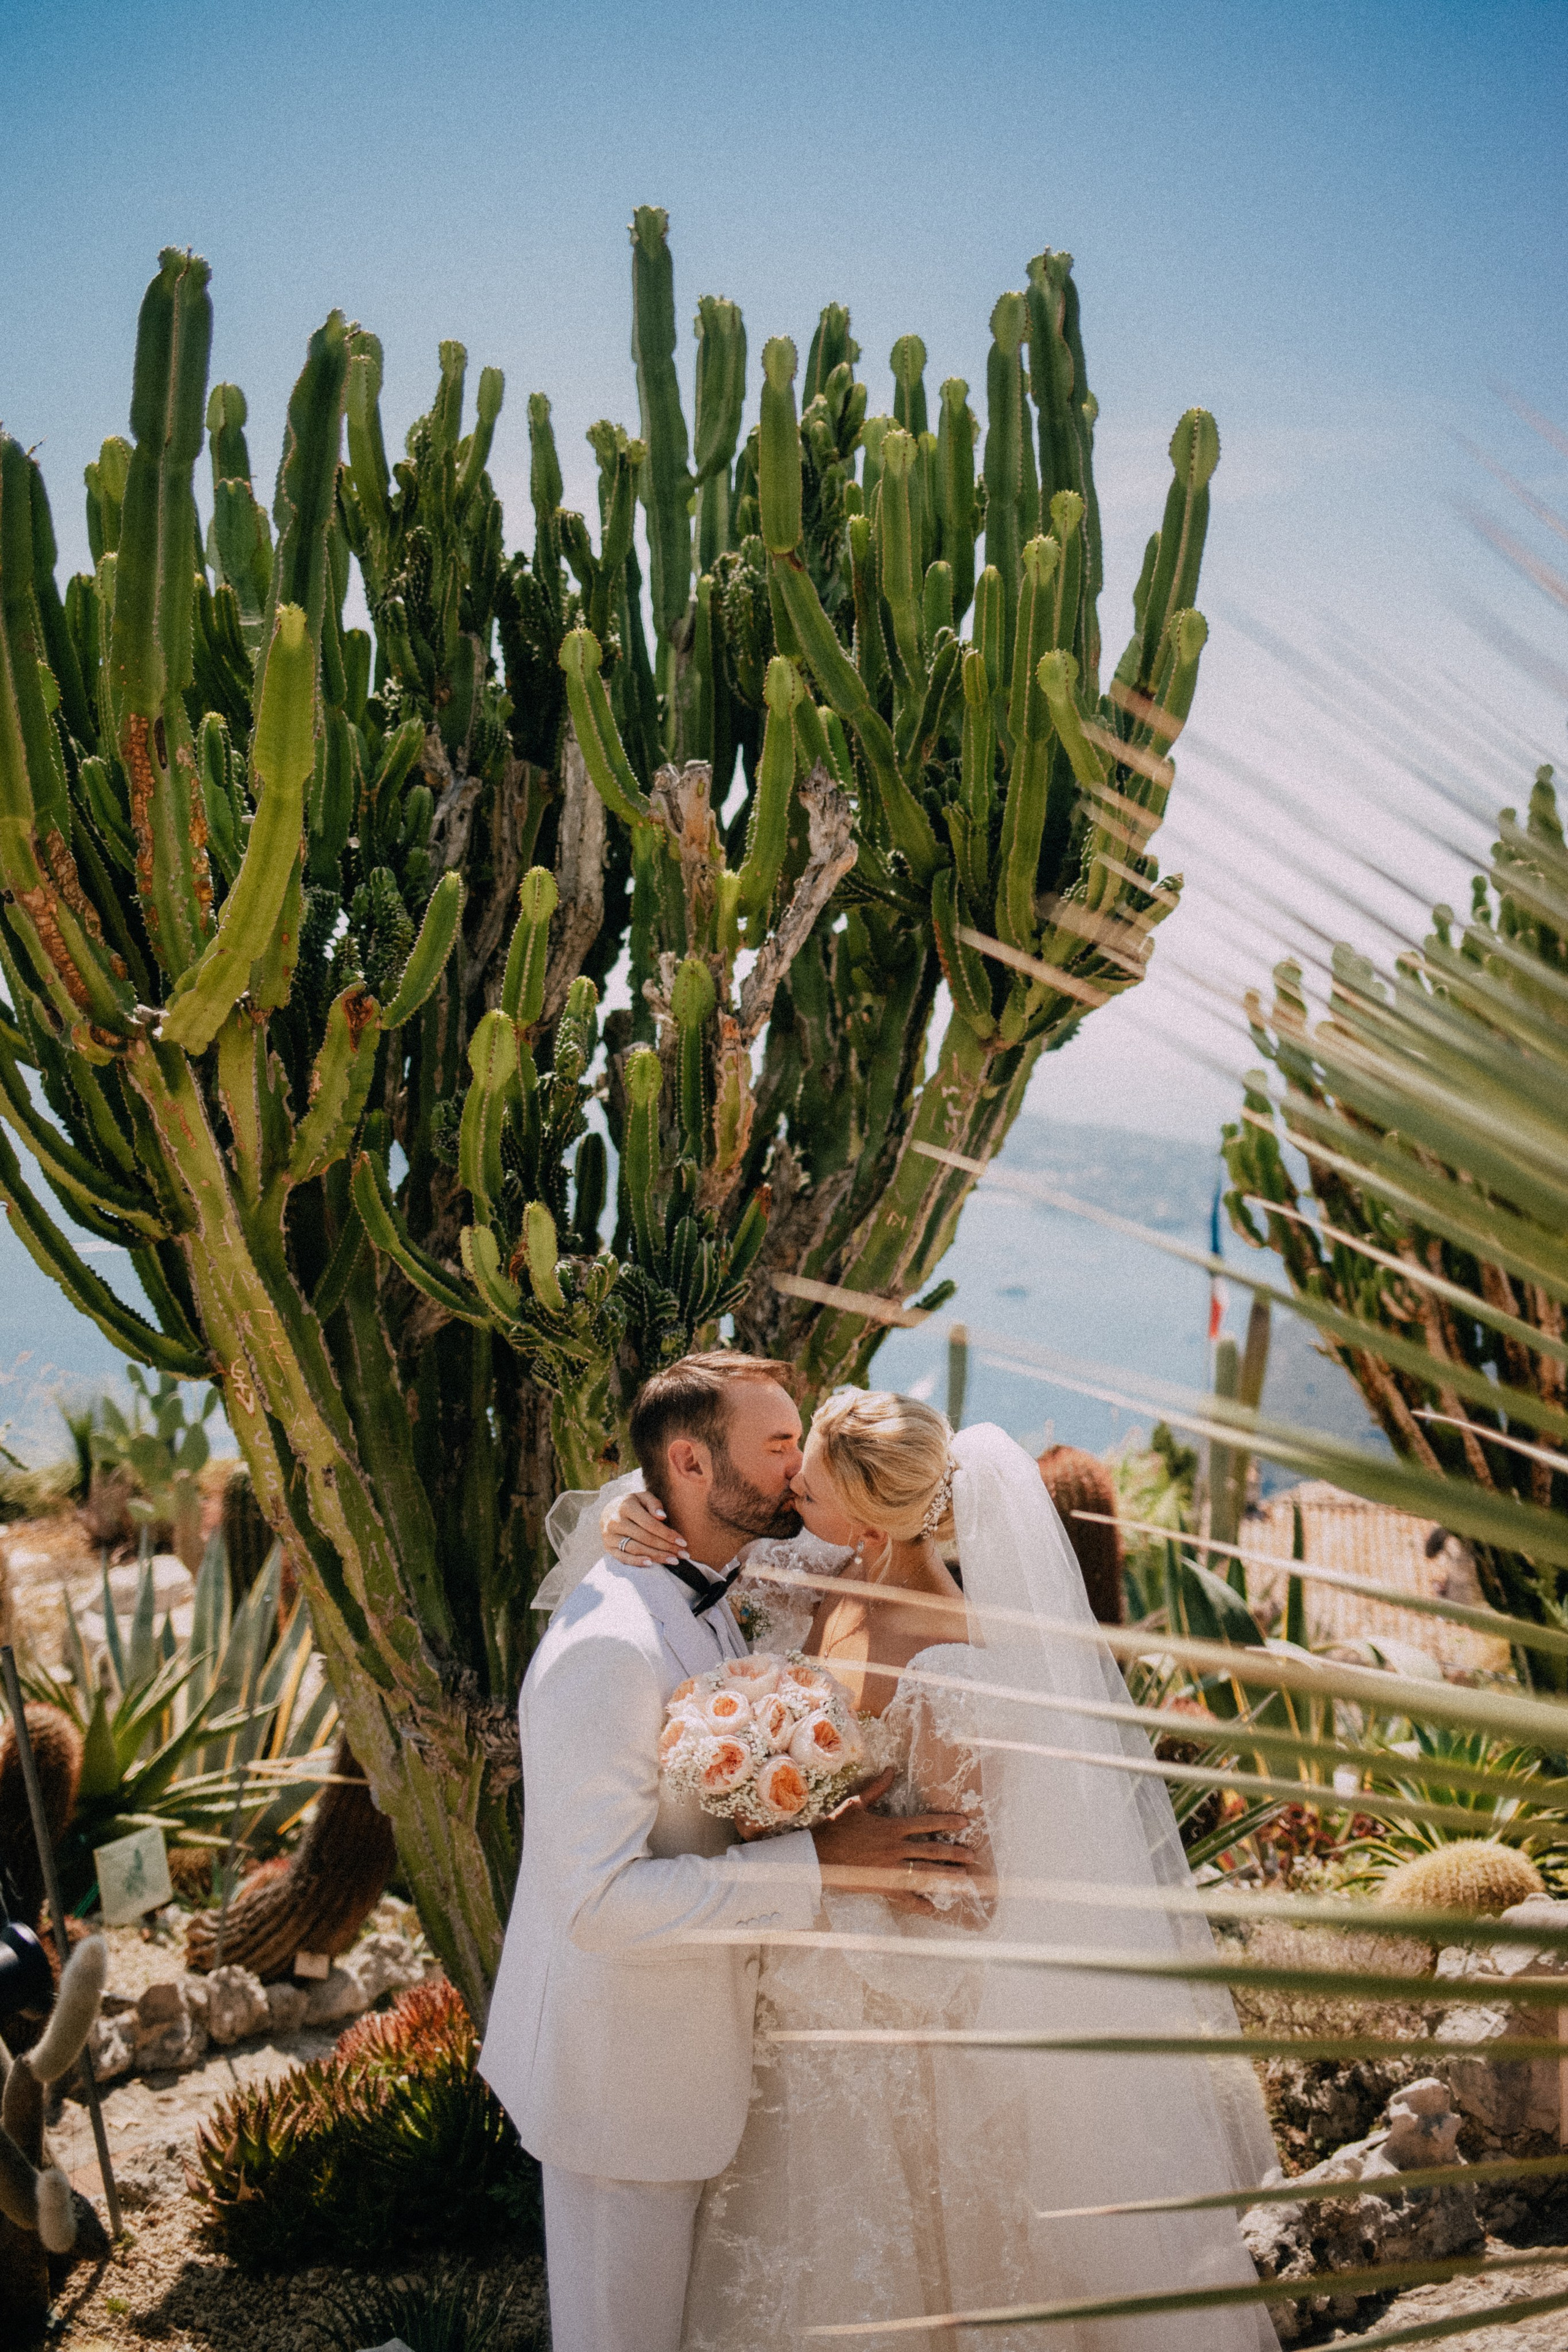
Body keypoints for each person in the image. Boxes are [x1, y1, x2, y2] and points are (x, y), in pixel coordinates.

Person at [603, 1392, 1281, 2350]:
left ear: (871, 1513)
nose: (790, 1486)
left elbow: (972, 1893)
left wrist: (836, 1850)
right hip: (804, 1974)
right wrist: (620, 1513)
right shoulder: (822, 1573)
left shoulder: (955, 1662)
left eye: (812, 1479)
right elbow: (691, 1537)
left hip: (897, 2024)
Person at [478, 1355, 976, 2352]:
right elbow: (595, 1904)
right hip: (626, 2080)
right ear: (695, 1465)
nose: (797, 1472)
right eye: (779, 1445)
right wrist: (821, 1865)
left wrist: (633, 1501)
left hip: (744, 2048)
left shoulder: (739, 1575)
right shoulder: (612, 1645)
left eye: (805, 1447)